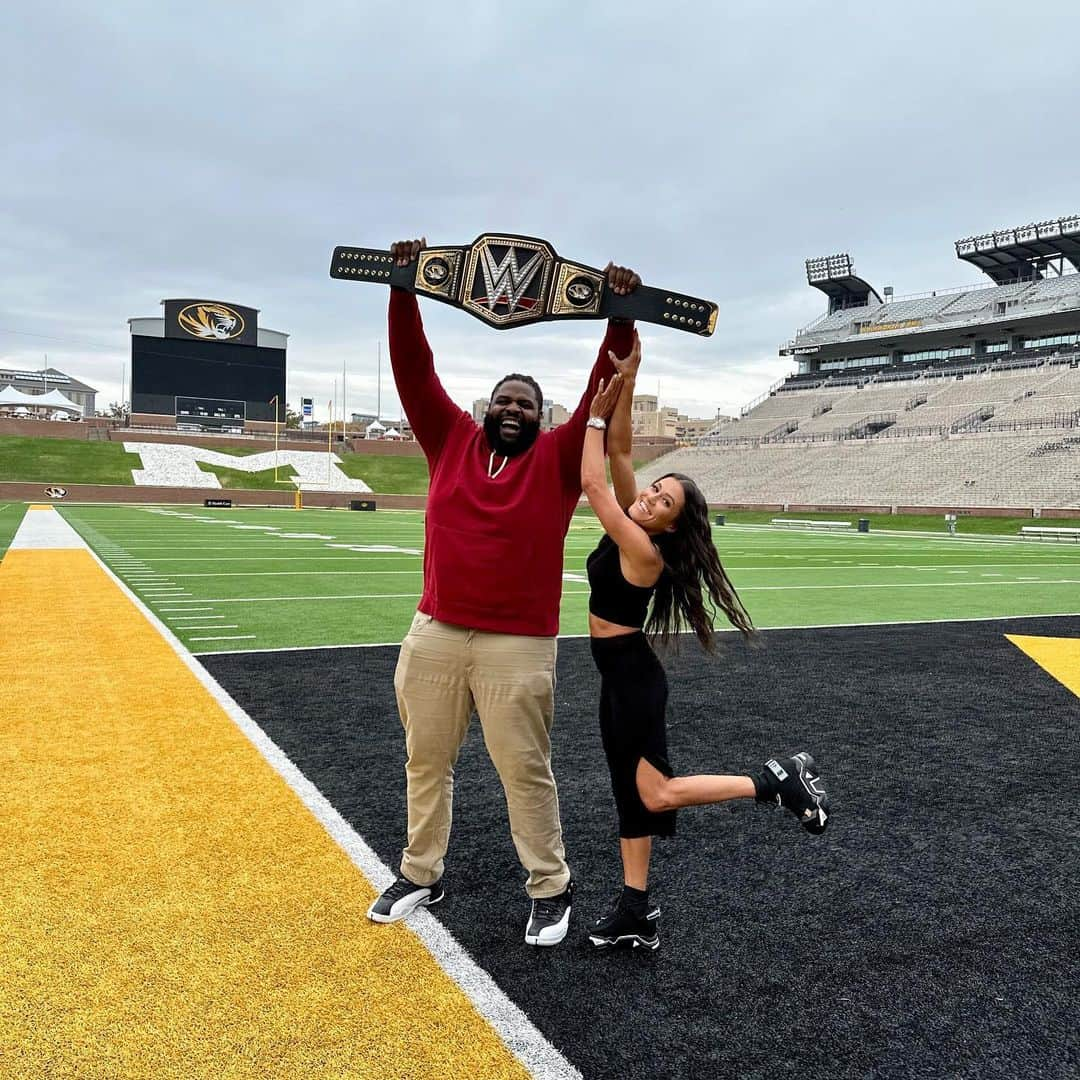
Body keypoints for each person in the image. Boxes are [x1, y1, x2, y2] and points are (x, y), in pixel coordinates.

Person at [366, 236, 642, 947]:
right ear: (485, 408)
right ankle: (421, 872)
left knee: (524, 770)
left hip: (517, 645)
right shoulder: (449, 440)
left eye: (526, 403)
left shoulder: (553, 462)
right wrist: (403, 288)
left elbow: (596, 394)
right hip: (434, 631)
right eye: (503, 400)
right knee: (426, 762)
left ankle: (551, 886)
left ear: (542, 418)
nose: (513, 408)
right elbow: (413, 370)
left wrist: (617, 317)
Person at [579, 332, 831, 951]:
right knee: (631, 799)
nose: (647, 497)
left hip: (633, 679)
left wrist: (591, 413)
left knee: (657, 793)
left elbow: (593, 482)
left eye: (662, 500)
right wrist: (629, 378)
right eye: (652, 489)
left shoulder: (643, 550)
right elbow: (620, 456)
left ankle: (773, 781)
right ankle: (635, 910)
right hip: (618, 676)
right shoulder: (638, 522)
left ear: (670, 523)